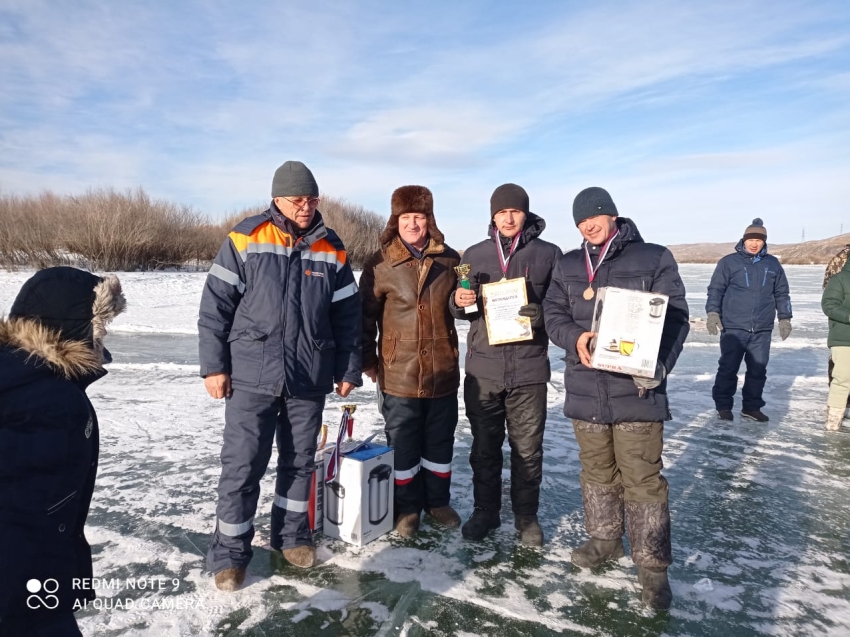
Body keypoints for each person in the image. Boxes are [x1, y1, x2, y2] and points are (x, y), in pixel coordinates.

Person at [199, 161, 362, 591]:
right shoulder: (245, 237)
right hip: (251, 375)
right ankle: (230, 556)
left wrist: (348, 368)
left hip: (308, 376)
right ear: (277, 199)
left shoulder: (332, 247)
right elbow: (215, 307)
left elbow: (348, 316)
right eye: (297, 200)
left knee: (298, 463)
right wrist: (214, 367)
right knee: (242, 466)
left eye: (312, 199)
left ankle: (291, 538)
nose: (305, 207)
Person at [543, 187, 690, 610]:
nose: (587, 225)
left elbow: (676, 317)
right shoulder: (570, 264)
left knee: (642, 478)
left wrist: (658, 365)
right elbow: (553, 314)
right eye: (580, 220)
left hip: (635, 389)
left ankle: (652, 568)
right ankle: (605, 540)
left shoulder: (652, 257)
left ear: (611, 215)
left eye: (594, 217)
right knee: (597, 471)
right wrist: (576, 338)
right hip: (586, 389)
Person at [0, 267, 126, 637]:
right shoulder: (48, 402)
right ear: (71, 326)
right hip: (23, 591)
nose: (102, 340)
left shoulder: (26, 377)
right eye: (99, 327)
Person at [449, 183, 561, 547]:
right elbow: (461, 311)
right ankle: (486, 510)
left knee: (528, 449)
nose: (508, 217)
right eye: (501, 212)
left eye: (515, 211)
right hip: (484, 370)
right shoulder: (476, 255)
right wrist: (458, 300)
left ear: (525, 214)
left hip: (528, 371)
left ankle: (526, 517)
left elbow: (563, 306)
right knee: (484, 448)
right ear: (493, 216)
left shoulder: (549, 254)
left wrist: (542, 315)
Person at [361, 185, 462, 537]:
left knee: (439, 443)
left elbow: (459, 308)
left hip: (442, 372)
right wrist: (368, 361)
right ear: (396, 220)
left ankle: (437, 501)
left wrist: (465, 302)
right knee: (402, 445)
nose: (413, 224)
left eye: (419, 216)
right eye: (406, 217)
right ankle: (406, 509)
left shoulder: (450, 260)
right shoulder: (380, 263)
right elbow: (364, 318)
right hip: (398, 372)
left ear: (429, 219)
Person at [705, 218, 792, 422]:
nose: (754, 244)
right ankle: (723, 406)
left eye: (759, 240)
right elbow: (715, 290)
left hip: (762, 328)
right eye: (751, 239)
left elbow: (782, 293)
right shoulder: (729, 262)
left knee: (758, 370)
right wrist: (712, 313)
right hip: (734, 327)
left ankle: (751, 407)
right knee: (728, 368)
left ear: (764, 242)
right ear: (743, 240)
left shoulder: (772, 264)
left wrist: (785, 318)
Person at [822, 253, 850, 430]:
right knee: (842, 378)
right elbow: (829, 304)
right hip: (845, 337)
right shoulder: (840, 279)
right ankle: (834, 420)